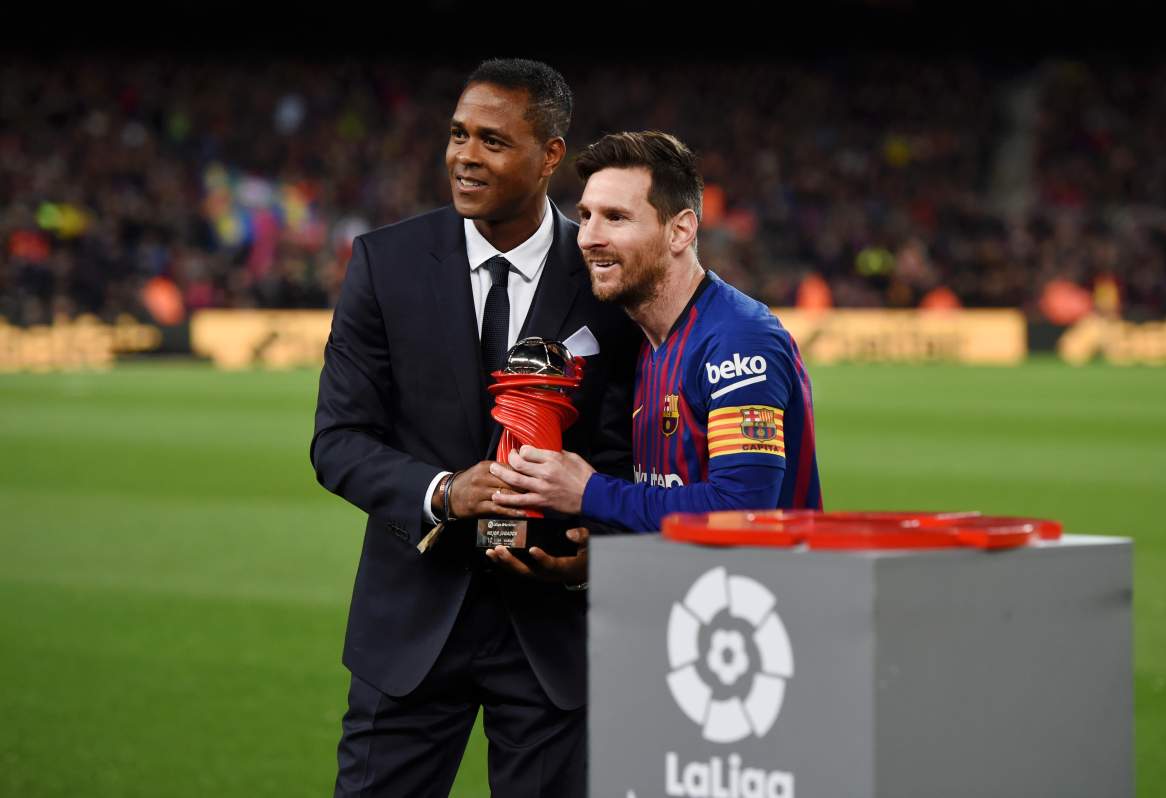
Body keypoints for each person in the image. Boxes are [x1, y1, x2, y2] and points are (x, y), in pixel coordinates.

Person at [310, 59, 639, 798]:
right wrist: (444, 491)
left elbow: (624, 449)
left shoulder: (607, 278)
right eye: (458, 134)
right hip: (411, 625)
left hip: (551, 631)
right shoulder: (385, 264)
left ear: (550, 155)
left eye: (492, 140)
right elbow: (337, 441)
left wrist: (599, 553)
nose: (465, 155)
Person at [490, 131, 821, 532]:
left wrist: (589, 492)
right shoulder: (647, 341)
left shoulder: (737, 340)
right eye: (586, 216)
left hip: (755, 576)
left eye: (616, 217)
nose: (589, 238)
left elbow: (741, 510)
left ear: (680, 231)